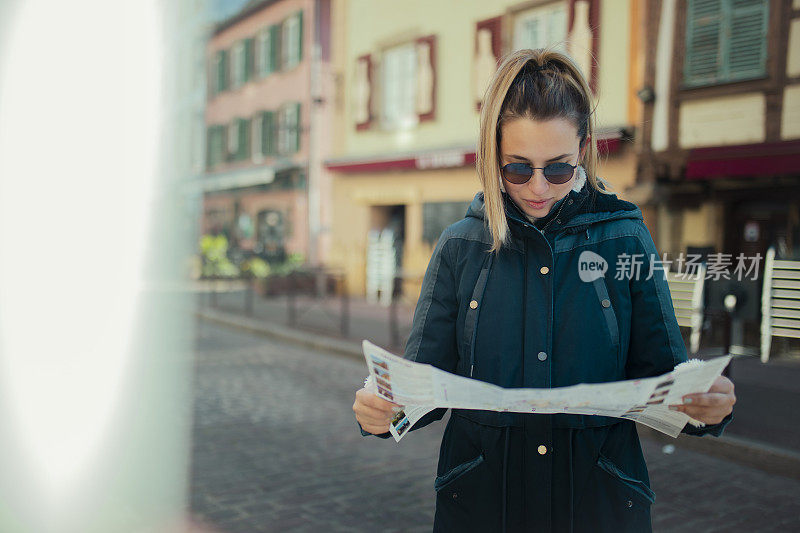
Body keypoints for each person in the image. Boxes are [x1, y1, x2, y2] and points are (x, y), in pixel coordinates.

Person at [352, 48, 735, 533]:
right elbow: (424, 383)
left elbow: (665, 373)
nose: (539, 187)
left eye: (558, 168)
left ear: (585, 149)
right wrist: (384, 411)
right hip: (482, 504)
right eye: (518, 168)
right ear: (493, 156)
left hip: (599, 503)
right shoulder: (458, 247)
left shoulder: (625, 238)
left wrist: (705, 406)